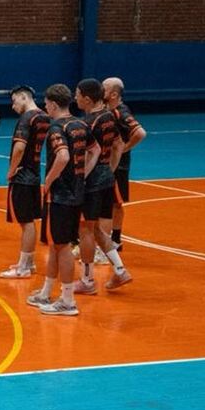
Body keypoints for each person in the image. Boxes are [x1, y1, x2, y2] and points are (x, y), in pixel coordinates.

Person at [27, 84, 99, 316]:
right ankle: (47, 292)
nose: (44, 106)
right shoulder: (80, 124)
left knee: (62, 246)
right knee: (56, 245)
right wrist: (83, 174)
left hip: (60, 194)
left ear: (54, 104)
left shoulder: (57, 128)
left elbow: (63, 156)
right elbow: (95, 149)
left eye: (46, 103)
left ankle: (67, 300)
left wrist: (48, 181)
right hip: (76, 192)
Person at [73, 79, 132, 292]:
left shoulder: (87, 123)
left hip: (91, 182)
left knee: (86, 230)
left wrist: (81, 177)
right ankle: (119, 270)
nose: (75, 98)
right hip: (107, 178)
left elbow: (89, 152)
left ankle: (87, 280)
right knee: (97, 229)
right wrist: (109, 169)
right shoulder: (109, 116)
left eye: (77, 94)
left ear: (87, 99)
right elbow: (118, 145)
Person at [0, 85, 51, 279]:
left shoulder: (26, 118)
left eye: (14, 101)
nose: (13, 106)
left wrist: (11, 171)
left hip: (23, 176)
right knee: (29, 221)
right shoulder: (44, 116)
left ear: (23, 97)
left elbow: (20, 147)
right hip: (35, 173)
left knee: (25, 222)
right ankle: (28, 262)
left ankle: (23, 268)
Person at [102, 77, 147, 251]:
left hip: (118, 165)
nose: (101, 90)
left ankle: (114, 239)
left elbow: (140, 133)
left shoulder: (121, 112)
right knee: (112, 201)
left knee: (115, 202)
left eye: (104, 88)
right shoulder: (109, 110)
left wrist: (124, 149)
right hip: (110, 163)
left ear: (113, 94)